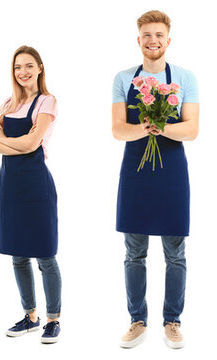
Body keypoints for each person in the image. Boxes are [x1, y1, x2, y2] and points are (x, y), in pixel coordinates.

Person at [112, 10, 198, 350]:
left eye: (159, 34)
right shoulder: (123, 78)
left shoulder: (185, 77)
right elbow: (118, 128)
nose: (153, 40)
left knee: (175, 253)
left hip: (173, 172)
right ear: (139, 40)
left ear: (168, 40)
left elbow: (191, 128)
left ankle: (172, 321)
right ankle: (137, 320)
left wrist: (159, 126)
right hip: (135, 170)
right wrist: (142, 129)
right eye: (147, 35)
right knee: (134, 253)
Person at [0, 46, 62, 344]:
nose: (23, 72)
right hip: (10, 185)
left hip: (36, 185)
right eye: (18, 67)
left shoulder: (47, 101)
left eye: (29, 66)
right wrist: (7, 142)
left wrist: (4, 139)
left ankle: (53, 319)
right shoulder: (8, 104)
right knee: (18, 255)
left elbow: (33, 144)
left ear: (40, 68)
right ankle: (30, 316)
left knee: (45, 255)